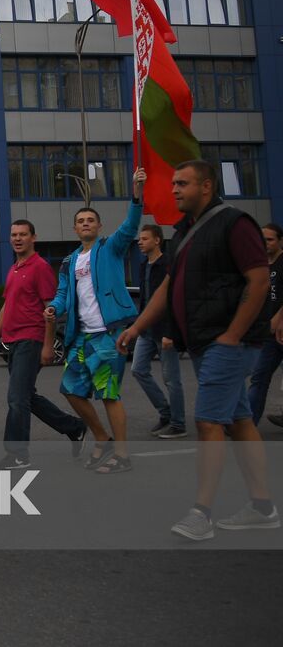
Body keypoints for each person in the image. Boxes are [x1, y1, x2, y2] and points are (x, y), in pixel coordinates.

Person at [117, 160, 277, 539]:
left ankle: (201, 513)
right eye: (174, 183)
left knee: (208, 422)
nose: (174, 189)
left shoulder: (235, 223)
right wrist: (138, 327)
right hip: (207, 340)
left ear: (206, 186)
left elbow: (258, 281)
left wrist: (233, 334)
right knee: (239, 419)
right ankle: (263, 507)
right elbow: (167, 288)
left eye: (182, 183)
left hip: (228, 340)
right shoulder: (184, 231)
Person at [45, 167, 146, 474]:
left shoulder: (110, 248)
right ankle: (102, 437)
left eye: (91, 220)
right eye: (81, 221)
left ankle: (122, 455)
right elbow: (63, 293)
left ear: (99, 226)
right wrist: (53, 307)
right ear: (75, 229)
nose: (86, 223)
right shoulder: (69, 261)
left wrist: (136, 195)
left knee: (108, 394)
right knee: (70, 390)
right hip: (81, 337)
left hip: (108, 334)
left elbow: (130, 226)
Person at [0, 220, 86, 468]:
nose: (17, 239)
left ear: (33, 237)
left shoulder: (40, 267)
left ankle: (18, 454)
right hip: (13, 341)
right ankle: (74, 427)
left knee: (17, 398)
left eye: (23, 234)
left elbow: (50, 309)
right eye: (14, 235)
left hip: (31, 339)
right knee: (26, 396)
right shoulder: (14, 268)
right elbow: (6, 306)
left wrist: (48, 345)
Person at [131, 224, 186, 438]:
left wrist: (170, 332)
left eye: (144, 239)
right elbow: (146, 299)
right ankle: (166, 412)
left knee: (171, 379)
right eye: (139, 239)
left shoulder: (167, 265)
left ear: (157, 241)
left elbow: (173, 300)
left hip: (165, 330)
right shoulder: (143, 265)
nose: (140, 242)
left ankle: (178, 424)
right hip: (147, 330)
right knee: (138, 369)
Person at [246, 223, 282, 424]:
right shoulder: (260, 265)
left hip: (279, 328)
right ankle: (248, 424)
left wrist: (279, 318)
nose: (265, 243)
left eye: (270, 239)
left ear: (280, 241)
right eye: (263, 239)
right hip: (268, 334)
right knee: (259, 377)